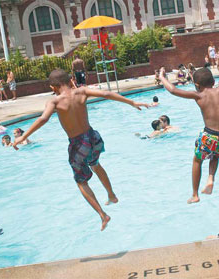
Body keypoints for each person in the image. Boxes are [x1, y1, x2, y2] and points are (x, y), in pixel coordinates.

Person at [13, 69, 149, 230]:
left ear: (53, 87)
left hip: (78, 144)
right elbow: (106, 94)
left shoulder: (54, 102)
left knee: (81, 181)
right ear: (70, 80)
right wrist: (131, 102)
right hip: (93, 138)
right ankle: (111, 195)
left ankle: (102, 215)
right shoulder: (82, 91)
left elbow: (43, 118)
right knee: (95, 164)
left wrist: (23, 136)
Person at [159, 56, 219, 204]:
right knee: (215, 154)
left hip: (211, 138)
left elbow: (173, 90)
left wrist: (162, 77)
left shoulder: (198, 95)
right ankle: (211, 178)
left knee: (197, 160)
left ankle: (194, 194)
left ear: (197, 85)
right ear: (213, 82)